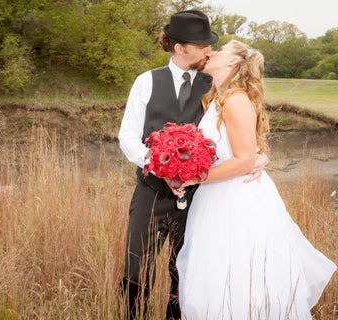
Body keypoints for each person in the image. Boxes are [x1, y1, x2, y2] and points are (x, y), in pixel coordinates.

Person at [118, 10, 267, 320]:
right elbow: (128, 137)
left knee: (184, 272)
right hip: (151, 193)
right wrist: (162, 167)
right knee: (136, 268)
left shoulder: (215, 86)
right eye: (202, 45)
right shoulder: (146, 82)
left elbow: (240, 134)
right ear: (179, 47)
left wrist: (260, 156)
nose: (208, 51)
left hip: (199, 199)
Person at [176, 39, 337, 319]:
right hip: (215, 199)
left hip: (237, 200)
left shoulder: (236, 100)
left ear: (232, 62)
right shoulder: (217, 97)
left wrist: (195, 177)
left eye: (221, 50)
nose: (212, 52)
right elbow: (247, 151)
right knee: (215, 274)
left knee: (239, 276)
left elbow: (244, 160)